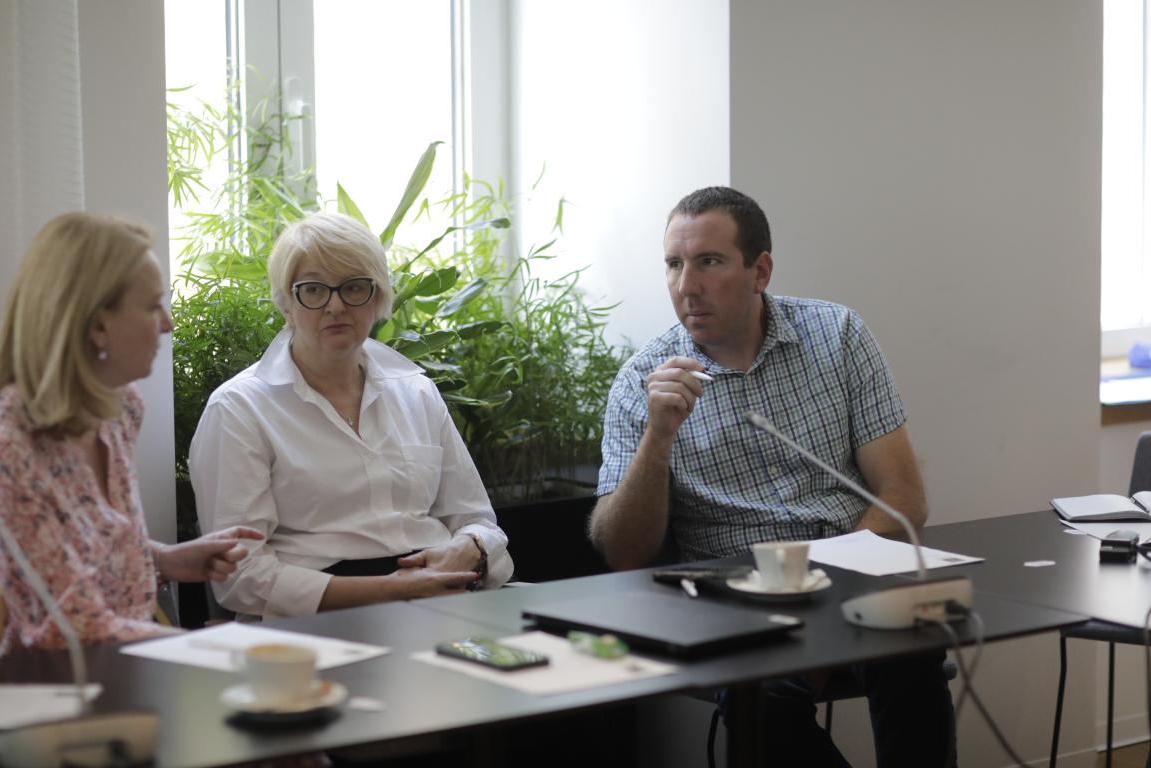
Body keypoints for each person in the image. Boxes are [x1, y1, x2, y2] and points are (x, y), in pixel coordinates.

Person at [589, 187, 954, 767]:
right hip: (734, 601)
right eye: (674, 265)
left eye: (709, 262)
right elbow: (625, 553)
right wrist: (659, 437)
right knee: (764, 692)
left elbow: (902, 496)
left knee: (915, 645)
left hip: (851, 575)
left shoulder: (837, 336)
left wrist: (820, 592)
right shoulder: (645, 381)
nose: (687, 286)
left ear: (760, 271)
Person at [190, 212, 512, 621]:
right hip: (316, 625)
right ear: (286, 303)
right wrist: (389, 591)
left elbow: (477, 519)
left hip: (440, 603)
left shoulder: (417, 392)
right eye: (313, 290)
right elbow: (240, 574)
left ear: (378, 299)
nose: (336, 305)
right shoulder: (239, 409)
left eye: (354, 287)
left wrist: (473, 549)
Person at [0, 212, 261, 653]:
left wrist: (163, 559)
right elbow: (72, 626)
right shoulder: (12, 447)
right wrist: (230, 651)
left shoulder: (119, 409)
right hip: (51, 697)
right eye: (153, 305)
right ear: (98, 324)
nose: (167, 323)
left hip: (128, 675)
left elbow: (75, 557)